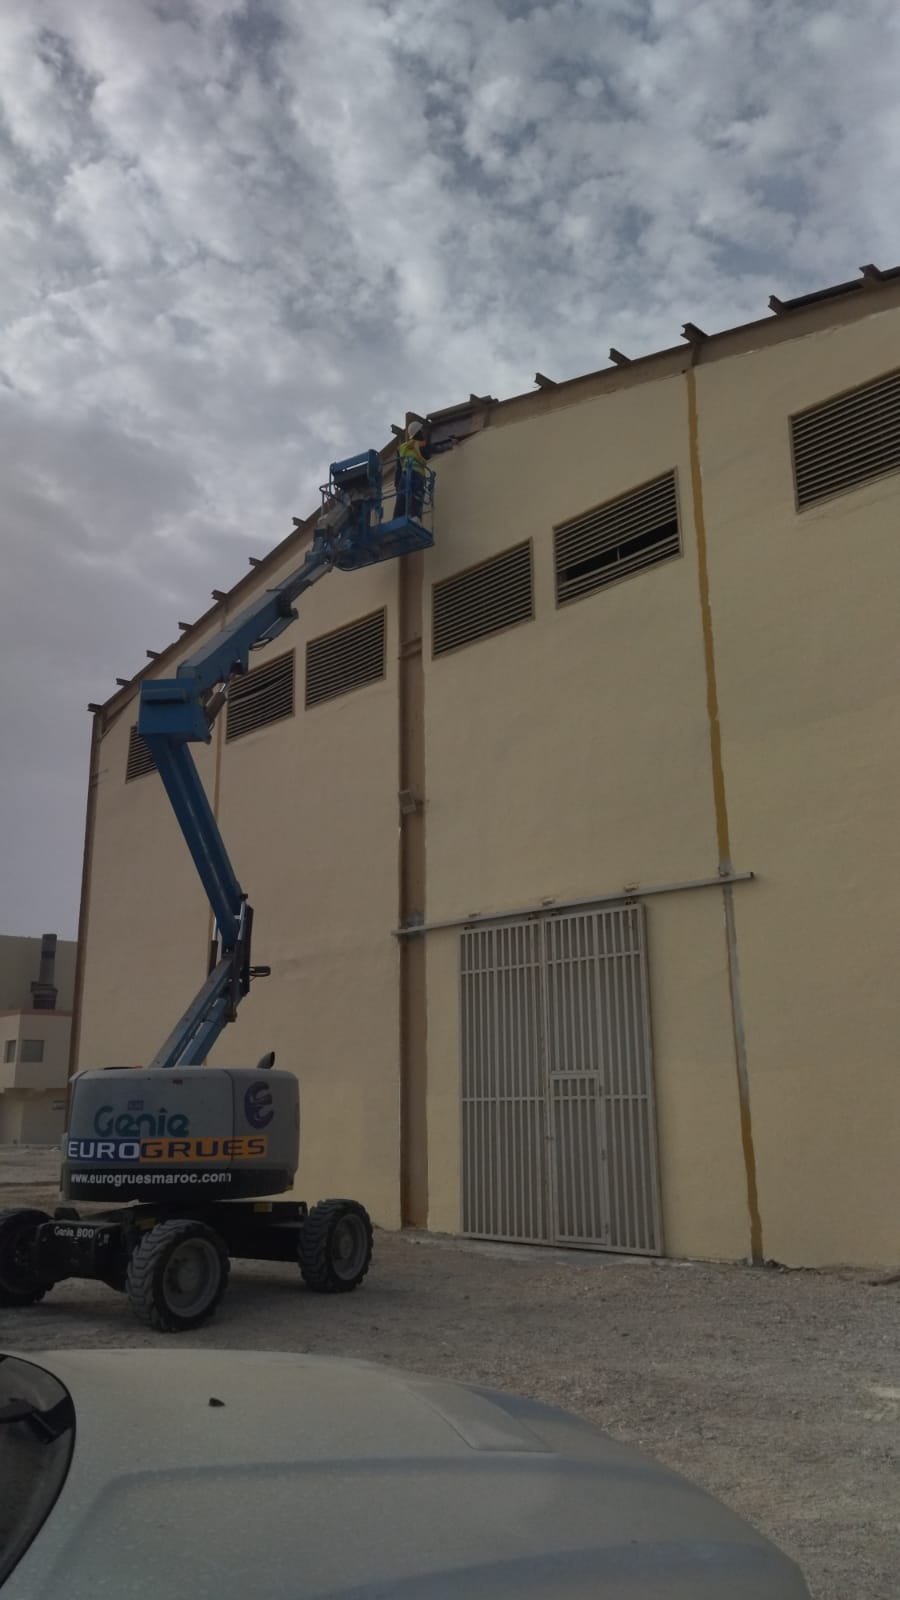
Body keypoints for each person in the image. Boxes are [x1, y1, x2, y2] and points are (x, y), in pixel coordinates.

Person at [394, 422, 431, 520]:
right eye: (421, 432)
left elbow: (398, 468)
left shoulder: (402, 447)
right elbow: (429, 453)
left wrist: (396, 484)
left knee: (401, 498)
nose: (423, 434)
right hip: (417, 475)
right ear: (418, 432)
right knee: (417, 496)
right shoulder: (420, 444)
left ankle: (397, 518)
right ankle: (415, 517)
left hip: (405, 476)